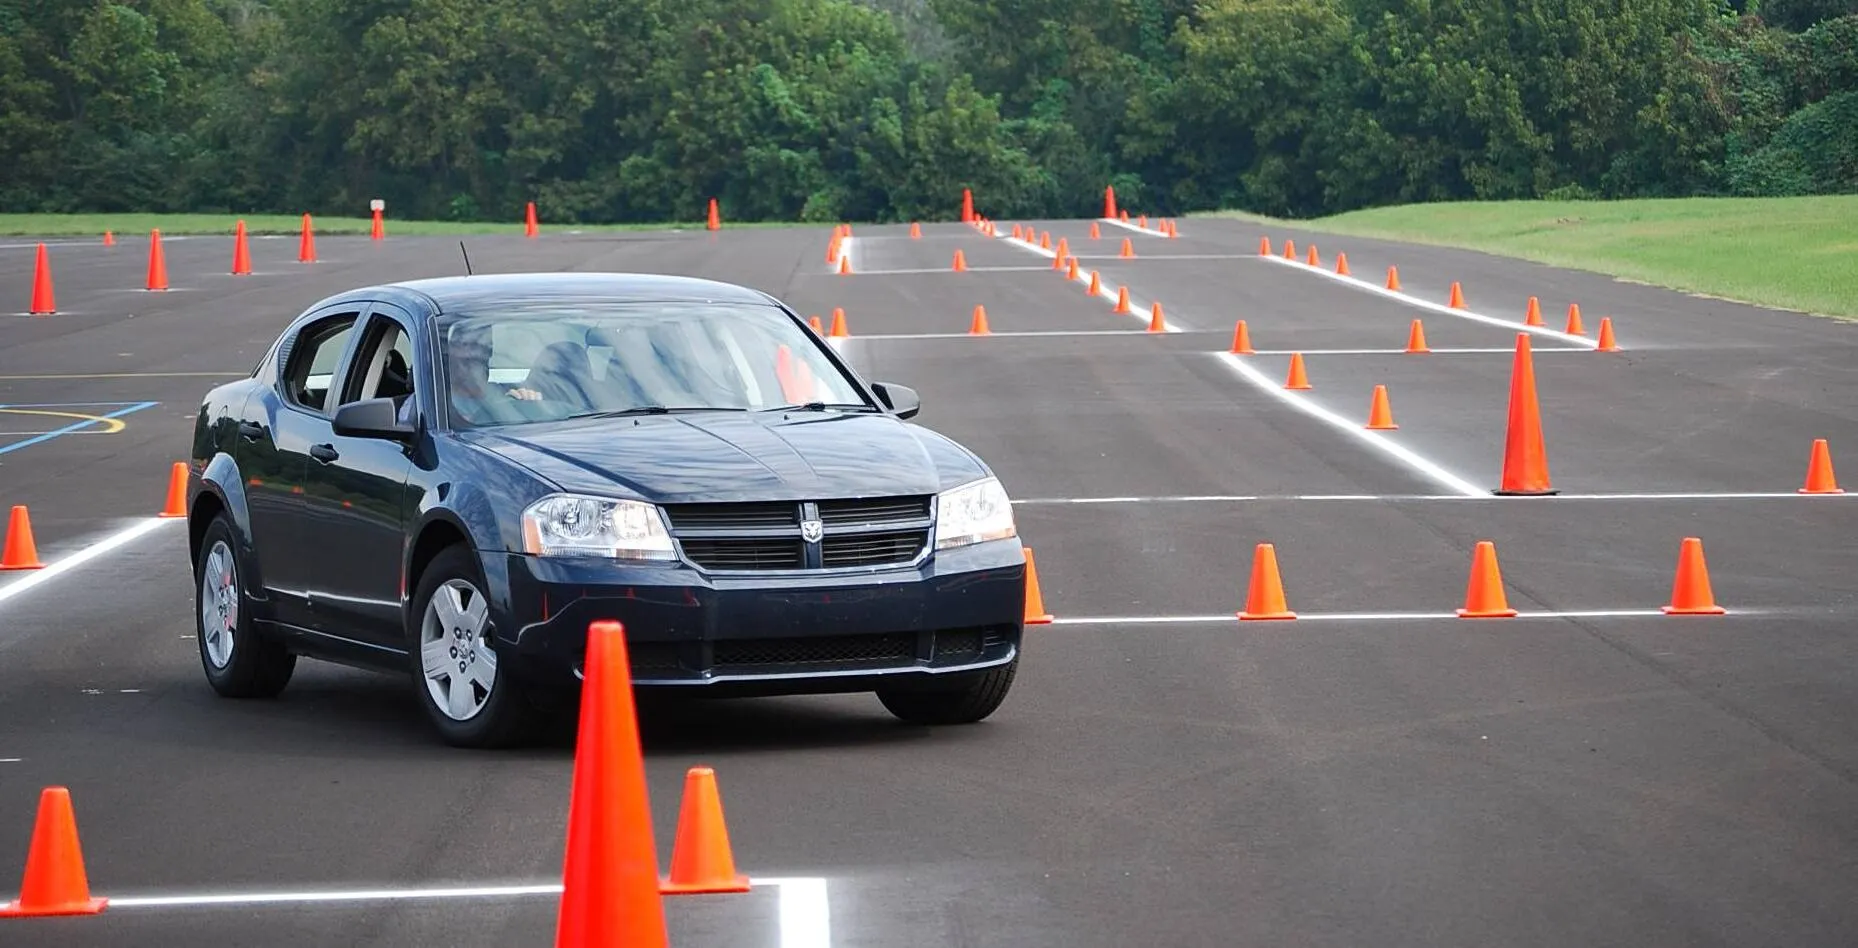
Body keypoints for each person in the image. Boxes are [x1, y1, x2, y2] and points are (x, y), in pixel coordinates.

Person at [442, 325, 543, 426]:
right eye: (464, 344)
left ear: (489, 352)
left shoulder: (510, 393)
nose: (472, 353)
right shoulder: (437, 404)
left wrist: (531, 405)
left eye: (481, 345)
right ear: (449, 350)